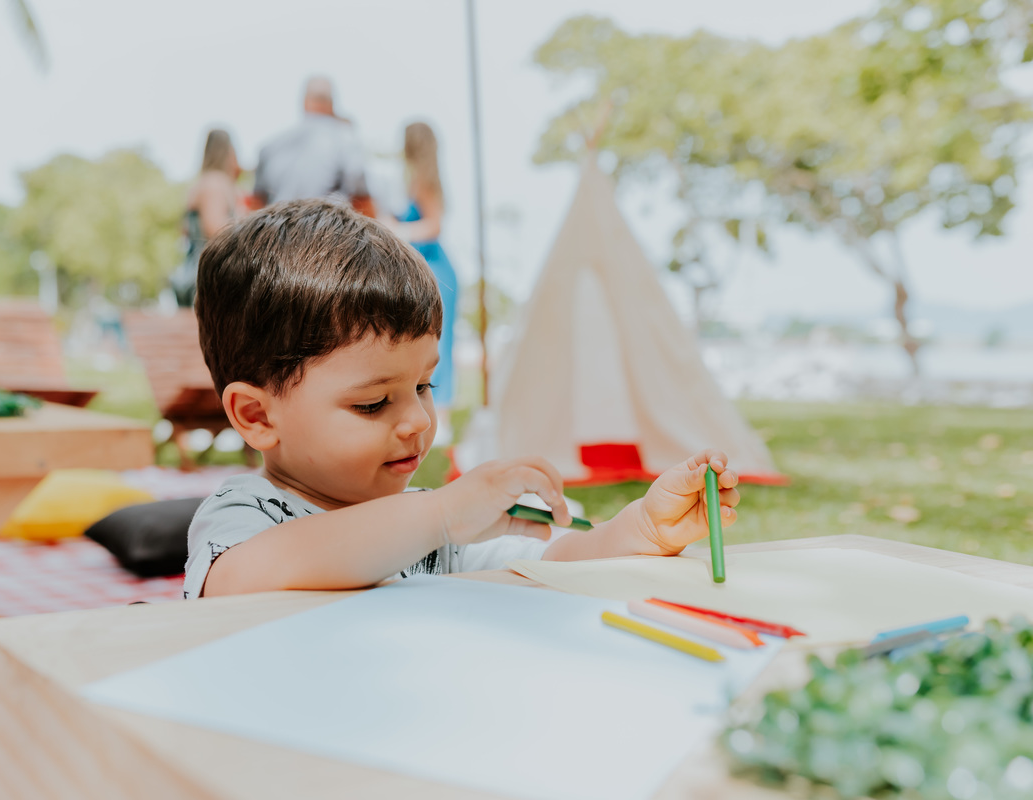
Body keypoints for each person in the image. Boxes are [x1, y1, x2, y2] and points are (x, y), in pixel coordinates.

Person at [184, 199, 739, 599]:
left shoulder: (434, 527)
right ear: (256, 416)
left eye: (424, 387)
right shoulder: (242, 518)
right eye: (373, 403)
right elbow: (246, 578)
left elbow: (557, 560)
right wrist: (442, 514)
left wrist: (641, 528)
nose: (417, 421)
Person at [381, 121, 458, 444]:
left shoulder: (424, 180)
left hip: (436, 270)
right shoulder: (410, 180)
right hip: (421, 268)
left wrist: (395, 230)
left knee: (437, 345)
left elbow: (433, 226)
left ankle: (444, 417)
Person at [251, 76, 374, 214]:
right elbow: (361, 196)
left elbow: (256, 202)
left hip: (280, 228)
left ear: (304, 102)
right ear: (332, 104)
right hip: (328, 229)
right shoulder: (346, 139)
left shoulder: (271, 145)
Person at [173, 128, 245, 306]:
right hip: (210, 276)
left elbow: (185, 231)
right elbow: (215, 228)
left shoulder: (203, 182)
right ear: (228, 152)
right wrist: (248, 223)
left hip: (200, 272)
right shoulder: (214, 183)